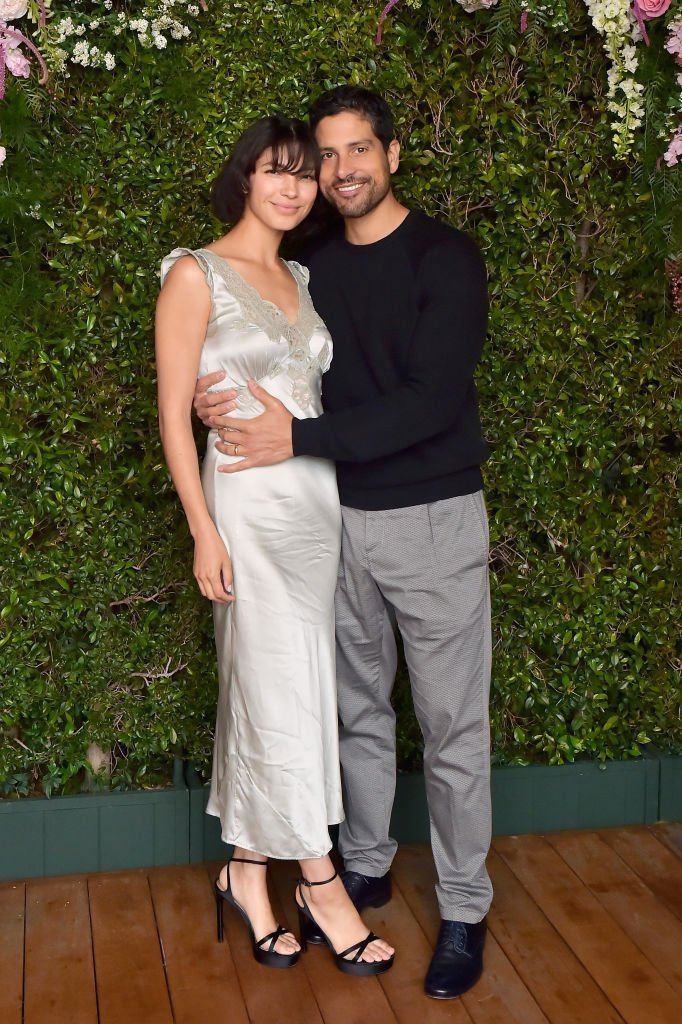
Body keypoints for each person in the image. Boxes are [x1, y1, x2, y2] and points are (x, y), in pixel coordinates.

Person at [194, 87, 492, 1000]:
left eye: (359, 149)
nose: (342, 170)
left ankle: (465, 910)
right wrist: (220, 397)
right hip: (328, 522)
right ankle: (361, 865)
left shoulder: (447, 257)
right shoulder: (310, 262)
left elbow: (431, 401)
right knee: (356, 713)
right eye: (326, 156)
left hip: (432, 517)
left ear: (393, 154)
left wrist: (297, 440)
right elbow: (253, 336)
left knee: (449, 729)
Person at [155, 113, 394, 975]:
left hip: (314, 507)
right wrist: (201, 529)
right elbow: (176, 416)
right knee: (279, 686)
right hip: (247, 513)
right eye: (276, 171)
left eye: (304, 174)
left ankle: (248, 872)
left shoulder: (301, 272)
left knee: (287, 691)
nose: (293, 187)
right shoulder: (194, 274)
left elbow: (311, 397)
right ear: (245, 178)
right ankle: (321, 884)